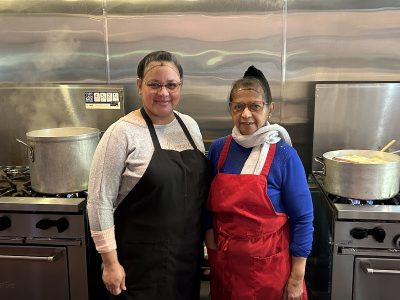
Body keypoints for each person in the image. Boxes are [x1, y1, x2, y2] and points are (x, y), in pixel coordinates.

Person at [87, 50, 211, 300]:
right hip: (138, 267)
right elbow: (99, 201)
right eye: (154, 84)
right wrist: (110, 263)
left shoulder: (190, 126)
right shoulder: (120, 133)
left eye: (171, 85)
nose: (163, 93)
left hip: (185, 261)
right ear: (139, 85)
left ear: (180, 87)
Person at [205, 66, 313, 300]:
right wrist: (211, 242)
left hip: (269, 268)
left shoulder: (285, 155)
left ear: (269, 109)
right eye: (238, 106)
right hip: (226, 265)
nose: (245, 114)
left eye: (255, 106)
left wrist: (296, 277)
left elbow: (303, 218)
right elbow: (205, 205)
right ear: (230, 109)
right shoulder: (218, 150)